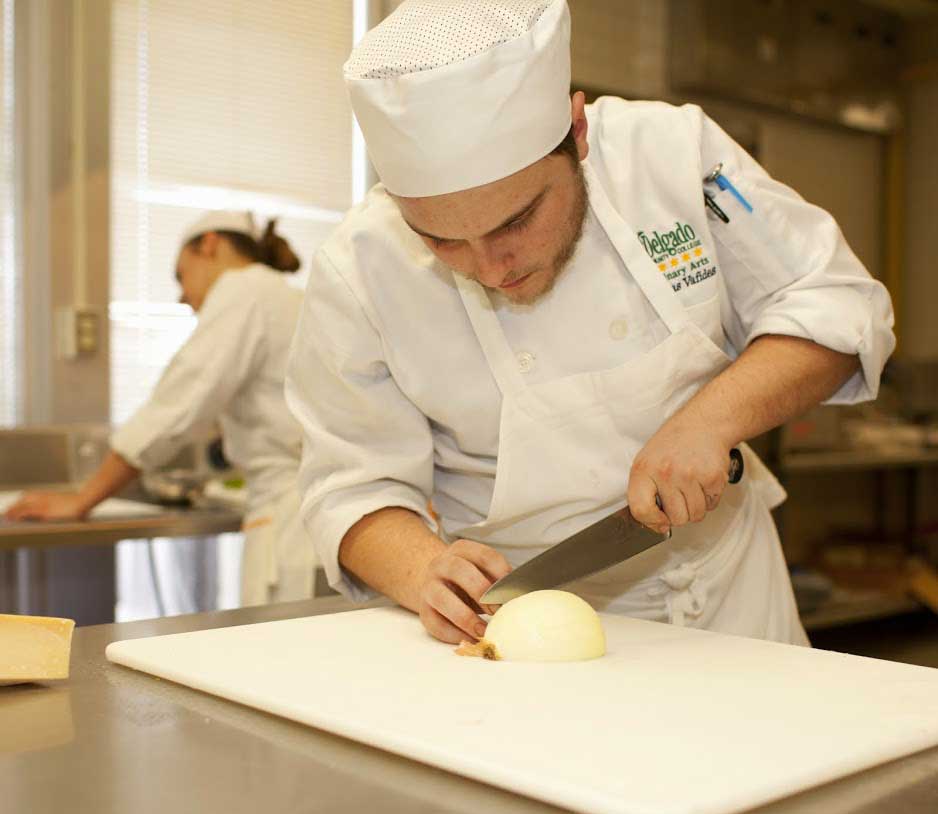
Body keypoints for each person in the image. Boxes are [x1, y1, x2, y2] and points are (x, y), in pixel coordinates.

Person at [285, 0, 895, 646]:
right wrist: (422, 570)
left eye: (517, 221)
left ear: (576, 133)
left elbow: (839, 304)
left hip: (736, 606)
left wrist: (711, 419)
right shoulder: (360, 270)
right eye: (442, 241)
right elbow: (348, 487)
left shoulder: (670, 156)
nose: (490, 268)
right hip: (526, 632)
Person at [7, 211, 317, 605]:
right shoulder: (282, 295)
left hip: (289, 521)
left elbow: (176, 405)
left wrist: (82, 499)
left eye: (180, 276)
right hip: (311, 516)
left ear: (209, 244)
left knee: (276, 640)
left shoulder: (243, 290)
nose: (182, 296)